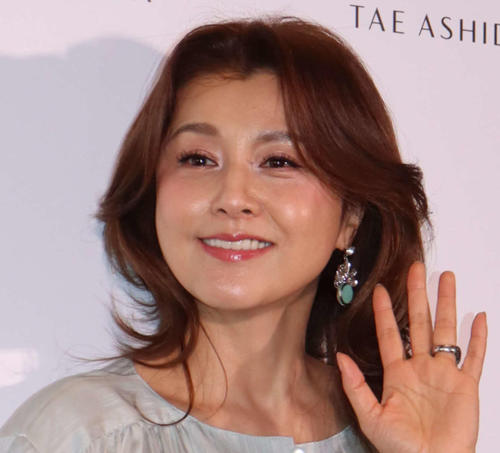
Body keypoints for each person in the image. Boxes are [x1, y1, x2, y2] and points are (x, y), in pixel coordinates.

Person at [0, 16, 487, 453]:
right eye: (198, 159)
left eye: (279, 161)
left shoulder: (392, 428)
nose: (233, 197)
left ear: (350, 218)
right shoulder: (77, 437)